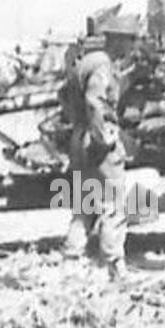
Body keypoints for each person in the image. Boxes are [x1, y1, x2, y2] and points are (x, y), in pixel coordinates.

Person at [61, 15, 140, 279]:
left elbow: (66, 95)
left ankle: (71, 260)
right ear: (118, 40)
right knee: (113, 206)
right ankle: (114, 265)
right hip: (97, 141)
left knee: (85, 203)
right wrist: (105, 139)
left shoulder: (88, 61)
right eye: (130, 41)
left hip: (80, 137)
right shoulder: (103, 65)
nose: (132, 47)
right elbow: (95, 102)